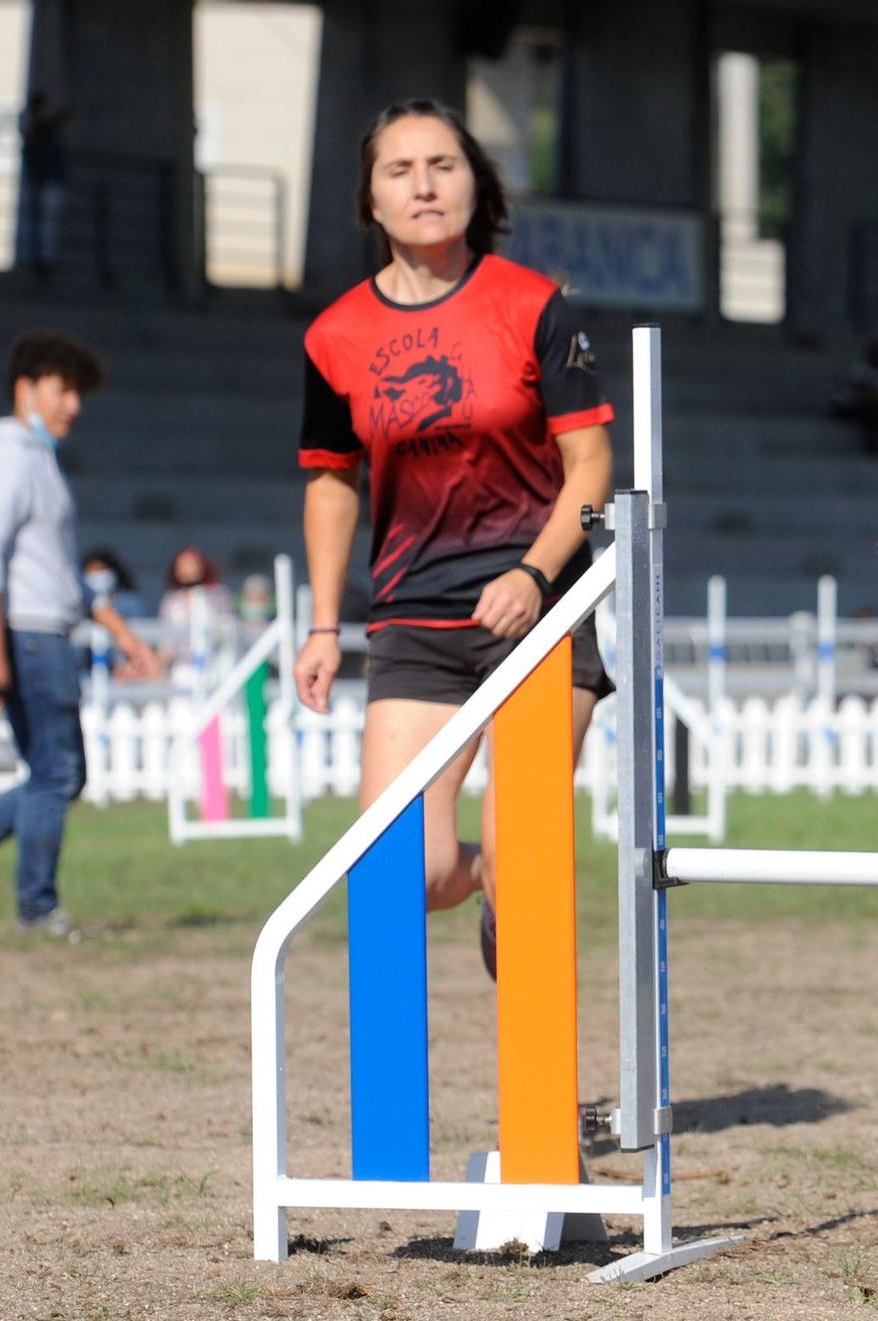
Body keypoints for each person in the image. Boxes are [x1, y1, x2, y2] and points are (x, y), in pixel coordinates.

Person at [291, 98, 615, 981]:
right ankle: (485, 882)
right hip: (415, 625)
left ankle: (555, 1110)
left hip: (540, 614)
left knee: (529, 861)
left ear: (477, 182)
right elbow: (330, 476)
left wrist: (535, 572)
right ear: (370, 202)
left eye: (444, 164)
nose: (425, 185)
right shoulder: (333, 336)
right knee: (403, 875)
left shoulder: (536, 305)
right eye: (400, 170)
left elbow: (592, 469)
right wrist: (325, 621)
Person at [0, 332, 160, 941]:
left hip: (34, 631)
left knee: (55, 775)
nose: (73, 404)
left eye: (78, 393)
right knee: (57, 774)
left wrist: (122, 631)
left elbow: (58, 571)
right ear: (27, 389)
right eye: (63, 389)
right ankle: (33, 907)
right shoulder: (9, 458)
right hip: (24, 635)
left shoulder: (36, 461)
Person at [18, 91, 70, 274]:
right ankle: (39, 260)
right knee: (42, 222)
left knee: (48, 223)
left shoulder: (41, 128)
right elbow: (41, 129)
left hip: (48, 180)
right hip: (42, 179)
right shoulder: (34, 126)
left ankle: (44, 260)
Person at [80, 546, 148, 623]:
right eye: (92, 571)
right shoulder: (81, 603)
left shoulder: (130, 602)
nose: (97, 574)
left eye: (102, 569)